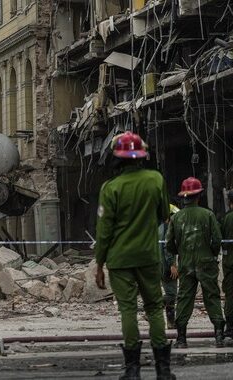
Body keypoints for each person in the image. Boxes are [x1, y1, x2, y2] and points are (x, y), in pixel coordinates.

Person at [94, 131, 174, 379]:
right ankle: (163, 369)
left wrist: (99, 263)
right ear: (142, 155)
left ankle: (132, 370)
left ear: (116, 158)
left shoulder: (110, 188)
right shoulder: (156, 180)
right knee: (154, 308)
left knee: (127, 310)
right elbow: (164, 214)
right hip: (149, 256)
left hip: (119, 260)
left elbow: (104, 231)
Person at [166, 177, 225, 348]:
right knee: (212, 296)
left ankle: (181, 338)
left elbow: (169, 243)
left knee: (184, 298)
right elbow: (217, 239)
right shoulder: (208, 215)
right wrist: (212, 253)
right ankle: (219, 336)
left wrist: (180, 252)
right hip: (206, 262)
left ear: (184, 197)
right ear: (199, 195)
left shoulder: (176, 218)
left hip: (185, 264)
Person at [159, 204, 180, 329]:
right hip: (167, 266)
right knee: (172, 294)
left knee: (170, 295)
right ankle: (152, 309)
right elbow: (168, 248)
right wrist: (172, 264)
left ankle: (171, 323)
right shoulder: (167, 228)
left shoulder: (159, 228)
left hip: (160, 266)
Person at [221, 190, 233, 338]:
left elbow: (218, 238)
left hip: (229, 262)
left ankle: (230, 327)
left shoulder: (226, 219)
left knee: (230, 295)